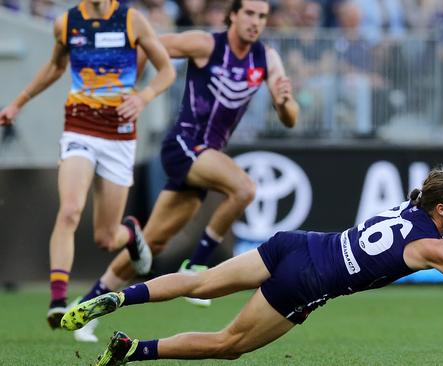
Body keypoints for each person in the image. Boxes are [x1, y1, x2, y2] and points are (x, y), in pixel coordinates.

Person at [61, 168, 443, 364]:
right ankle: (134, 350)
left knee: (200, 281)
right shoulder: (436, 247)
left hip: (298, 244)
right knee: (228, 346)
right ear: (442, 209)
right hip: (308, 281)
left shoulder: (420, 205)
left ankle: (112, 298)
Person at [71, 0, 299, 341]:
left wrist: (284, 102)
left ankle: (87, 307)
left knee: (151, 245)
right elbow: (151, 44)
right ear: (233, 15)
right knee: (245, 188)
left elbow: (290, 119)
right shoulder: (206, 43)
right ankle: (196, 267)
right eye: (249, 13)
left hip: (206, 157)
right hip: (183, 144)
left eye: (262, 16)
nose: (256, 21)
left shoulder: (266, 58)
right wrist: (133, 89)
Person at [0, 0, 176, 330]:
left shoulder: (131, 21)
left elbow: (167, 70)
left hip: (120, 135)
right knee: (69, 210)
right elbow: (55, 66)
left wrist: (143, 97)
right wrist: (18, 103)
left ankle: (130, 233)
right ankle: (57, 300)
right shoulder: (67, 23)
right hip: (79, 126)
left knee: (107, 237)